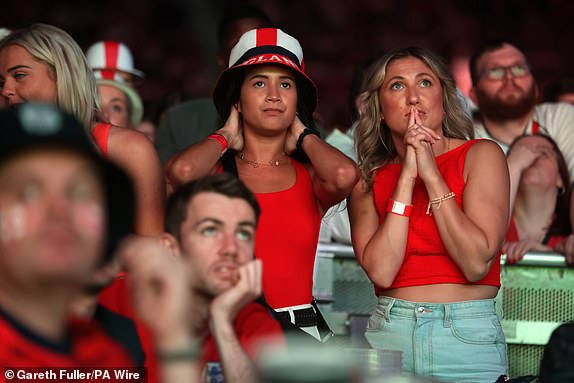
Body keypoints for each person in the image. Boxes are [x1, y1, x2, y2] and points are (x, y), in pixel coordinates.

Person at [167, 28, 360, 341]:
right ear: (238, 102)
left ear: (297, 101)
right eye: (259, 83)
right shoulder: (214, 172)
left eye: (286, 84)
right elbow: (182, 170)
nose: (274, 94)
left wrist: (304, 134)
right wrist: (225, 136)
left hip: (302, 335)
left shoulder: (309, 176)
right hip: (228, 328)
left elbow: (345, 176)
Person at [349, 46, 510, 383]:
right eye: (396, 86)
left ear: (443, 97)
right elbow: (382, 271)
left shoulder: (482, 155)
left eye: (424, 83)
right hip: (390, 333)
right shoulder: (366, 180)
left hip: (467, 336)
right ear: (378, 109)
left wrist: (431, 173)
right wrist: (407, 177)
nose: (412, 97)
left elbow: (475, 262)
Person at [0, 103, 135, 367]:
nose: (59, 211)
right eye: (28, 192)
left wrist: (176, 343)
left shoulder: (108, 357)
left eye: (79, 192)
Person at [0, 23, 164, 237]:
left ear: (61, 73)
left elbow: (152, 252)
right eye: (0, 82)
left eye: (19, 75)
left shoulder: (129, 149)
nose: (6, 90)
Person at [144, 173, 285, 382]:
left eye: (243, 233)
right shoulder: (119, 315)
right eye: (210, 230)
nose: (231, 248)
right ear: (171, 248)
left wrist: (221, 322)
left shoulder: (254, 323)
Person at [155, 4, 273, 166]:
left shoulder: (302, 124)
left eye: (261, 43)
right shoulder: (178, 122)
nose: (251, 53)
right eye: (239, 45)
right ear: (221, 59)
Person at [468, 40, 574, 179]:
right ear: (474, 95)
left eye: (519, 68)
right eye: (495, 71)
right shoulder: (464, 138)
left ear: (535, 87)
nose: (510, 78)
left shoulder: (560, 116)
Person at [503, 134, 574, 264]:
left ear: (560, 179)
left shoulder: (569, 238)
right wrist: (513, 166)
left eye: (543, 153)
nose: (531, 157)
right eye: (520, 153)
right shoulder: (491, 223)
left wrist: (546, 254)